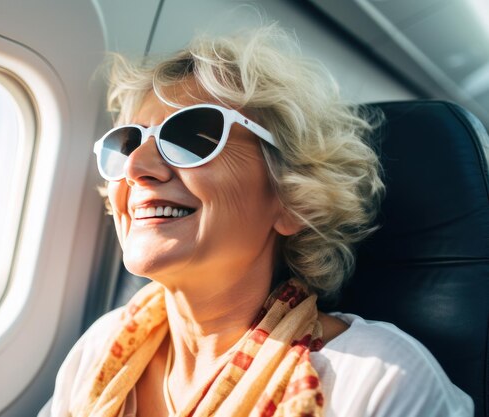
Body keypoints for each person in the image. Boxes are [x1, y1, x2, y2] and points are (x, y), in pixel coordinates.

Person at [40, 25, 473, 417]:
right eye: (126, 142)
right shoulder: (99, 351)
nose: (137, 167)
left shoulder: (379, 382)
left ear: (291, 198)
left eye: (193, 137)